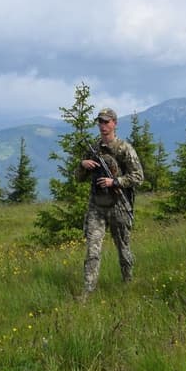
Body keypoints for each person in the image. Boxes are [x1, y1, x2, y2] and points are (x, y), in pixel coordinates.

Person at [75, 107, 143, 300]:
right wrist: (83, 165)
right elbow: (78, 178)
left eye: (107, 122)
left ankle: (128, 283)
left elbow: (138, 176)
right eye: (100, 122)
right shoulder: (92, 149)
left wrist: (115, 182)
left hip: (119, 206)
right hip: (97, 206)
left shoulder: (124, 149)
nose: (103, 126)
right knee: (92, 249)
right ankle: (88, 291)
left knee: (123, 249)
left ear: (114, 123)